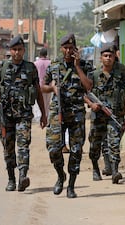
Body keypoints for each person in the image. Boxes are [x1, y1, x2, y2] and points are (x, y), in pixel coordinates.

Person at [0, 35, 47, 192]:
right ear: (10, 50)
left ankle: (22, 176)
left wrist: (43, 114)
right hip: (6, 115)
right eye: (14, 50)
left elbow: (38, 91)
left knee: (23, 145)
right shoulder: (2, 66)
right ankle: (11, 179)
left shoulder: (30, 68)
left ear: (24, 50)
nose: (17, 53)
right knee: (8, 148)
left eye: (20, 49)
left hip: (24, 115)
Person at [41, 33, 93, 198]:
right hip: (58, 111)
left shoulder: (84, 65)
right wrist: (52, 89)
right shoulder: (54, 65)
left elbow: (89, 86)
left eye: (71, 47)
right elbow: (43, 86)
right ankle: (60, 175)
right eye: (66, 48)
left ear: (76, 48)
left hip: (76, 112)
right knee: (54, 148)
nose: (68, 50)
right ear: (61, 48)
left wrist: (77, 67)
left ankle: (71, 185)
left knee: (76, 150)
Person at [84, 42, 125, 184]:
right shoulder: (94, 74)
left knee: (114, 143)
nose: (108, 58)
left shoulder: (122, 70)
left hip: (115, 114)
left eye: (110, 55)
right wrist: (91, 104)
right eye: (105, 55)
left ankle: (115, 171)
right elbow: (84, 93)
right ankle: (96, 168)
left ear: (115, 57)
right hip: (98, 115)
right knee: (95, 143)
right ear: (101, 58)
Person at [33, 48, 51, 122]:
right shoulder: (50, 63)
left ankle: (38, 116)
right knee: (47, 102)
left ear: (40, 54)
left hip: (39, 86)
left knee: (38, 101)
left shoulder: (36, 63)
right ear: (46, 54)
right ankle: (46, 116)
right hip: (48, 86)